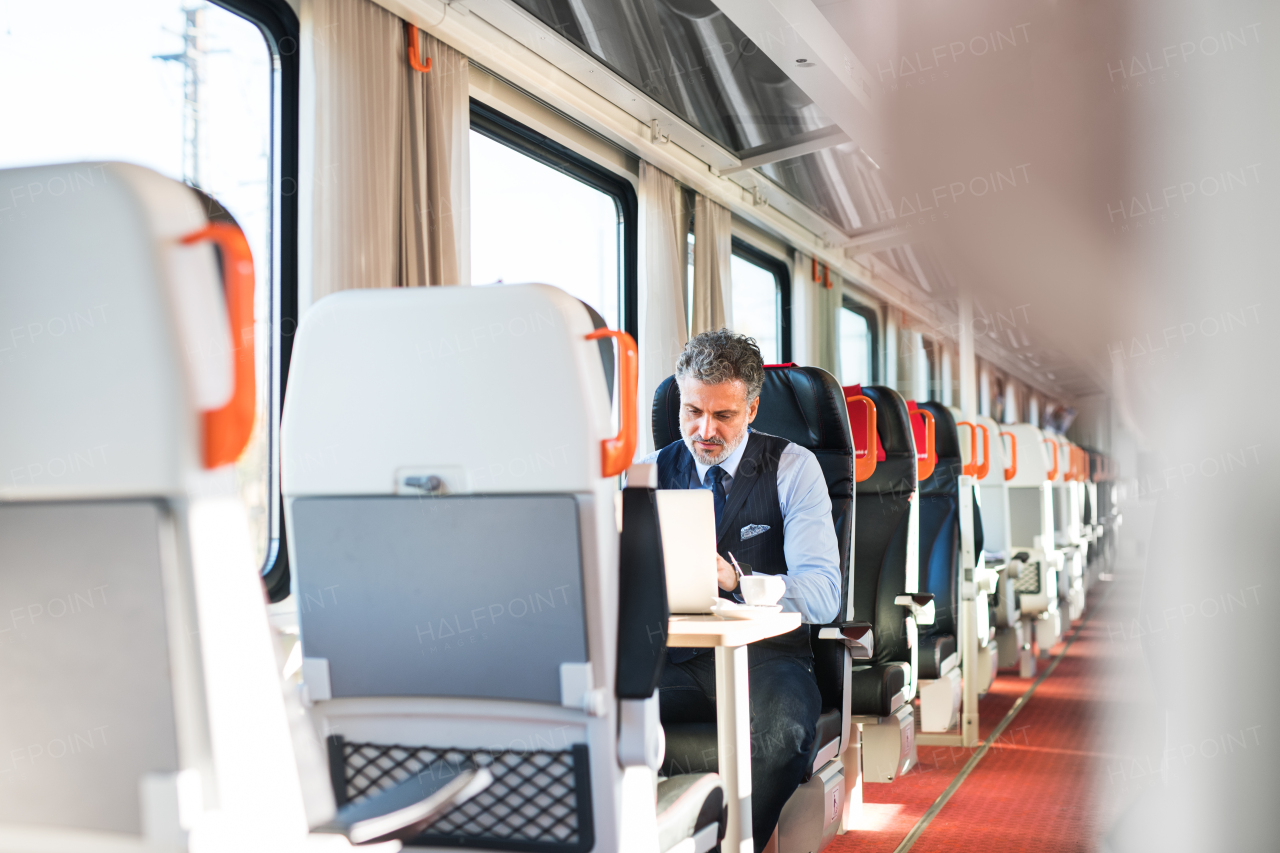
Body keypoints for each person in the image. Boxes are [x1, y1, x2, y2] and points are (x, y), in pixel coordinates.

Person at [640, 329, 841, 851]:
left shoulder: (795, 469)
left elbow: (822, 595)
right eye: (691, 412)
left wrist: (739, 582)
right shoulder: (650, 472)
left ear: (752, 410)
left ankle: (727, 844)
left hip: (769, 659)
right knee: (592, 712)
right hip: (679, 658)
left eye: (723, 416)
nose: (704, 430)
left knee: (784, 734)